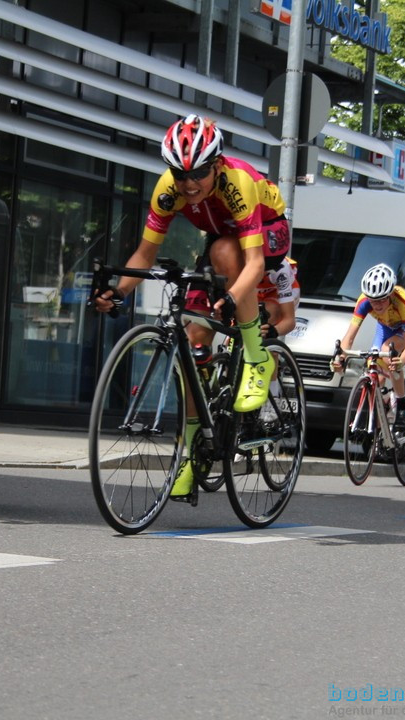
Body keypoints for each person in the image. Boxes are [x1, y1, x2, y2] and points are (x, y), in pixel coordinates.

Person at [92, 114, 287, 501]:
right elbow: (145, 253)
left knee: (226, 251)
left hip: (267, 231)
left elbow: (255, 265)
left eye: (198, 172)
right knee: (193, 340)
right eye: (179, 174)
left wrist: (233, 298)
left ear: (216, 165)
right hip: (219, 234)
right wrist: (119, 291)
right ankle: (190, 454)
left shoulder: (239, 183)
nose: (188, 183)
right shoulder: (169, 189)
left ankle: (256, 358)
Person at [331, 263, 405, 432]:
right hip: (385, 326)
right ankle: (380, 429)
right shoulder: (364, 301)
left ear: (391, 294)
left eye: (381, 300)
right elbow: (348, 337)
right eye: (373, 301)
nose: (377, 305)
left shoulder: (403, 303)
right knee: (375, 367)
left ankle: (402, 405)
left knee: (388, 352)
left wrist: (399, 362)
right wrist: (340, 359)